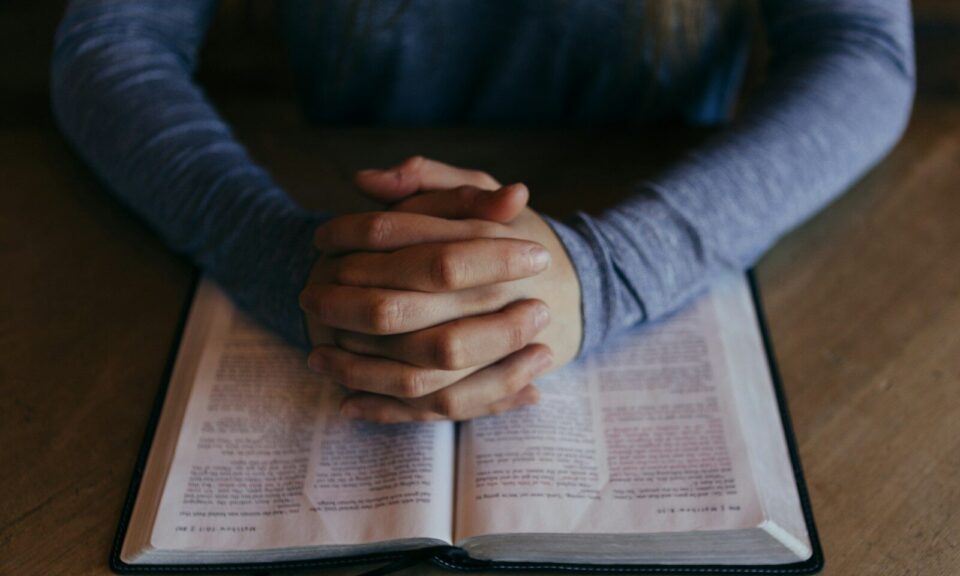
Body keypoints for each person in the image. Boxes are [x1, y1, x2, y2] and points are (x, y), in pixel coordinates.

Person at [51, 0, 914, 423]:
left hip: (661, 200)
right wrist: (297, 262)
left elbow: (863, 52)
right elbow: (109, 43)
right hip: (345, 206)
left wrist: (608, 271)